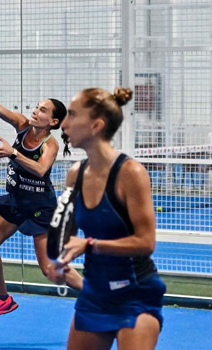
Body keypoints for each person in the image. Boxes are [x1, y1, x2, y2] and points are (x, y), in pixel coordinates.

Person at [0, 76, 84, 321]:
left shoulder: (49, 144)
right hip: (15, 201)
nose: (35, 111)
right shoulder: (22, 126)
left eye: (42, 110)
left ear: (52, 121)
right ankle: (3, 300)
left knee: (48, 269)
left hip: (40, 207)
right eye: (36, 106)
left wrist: (13, 153)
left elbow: (41, 170)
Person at [47, 87, 166, 350]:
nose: (64, 123)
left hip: (136, 294)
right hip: (95, 294)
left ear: (96, 125)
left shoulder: (131, 173)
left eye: (73, 115)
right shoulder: (74, 175)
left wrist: (91, 245)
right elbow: (67, 235)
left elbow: (146, 242)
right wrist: (61, 262)